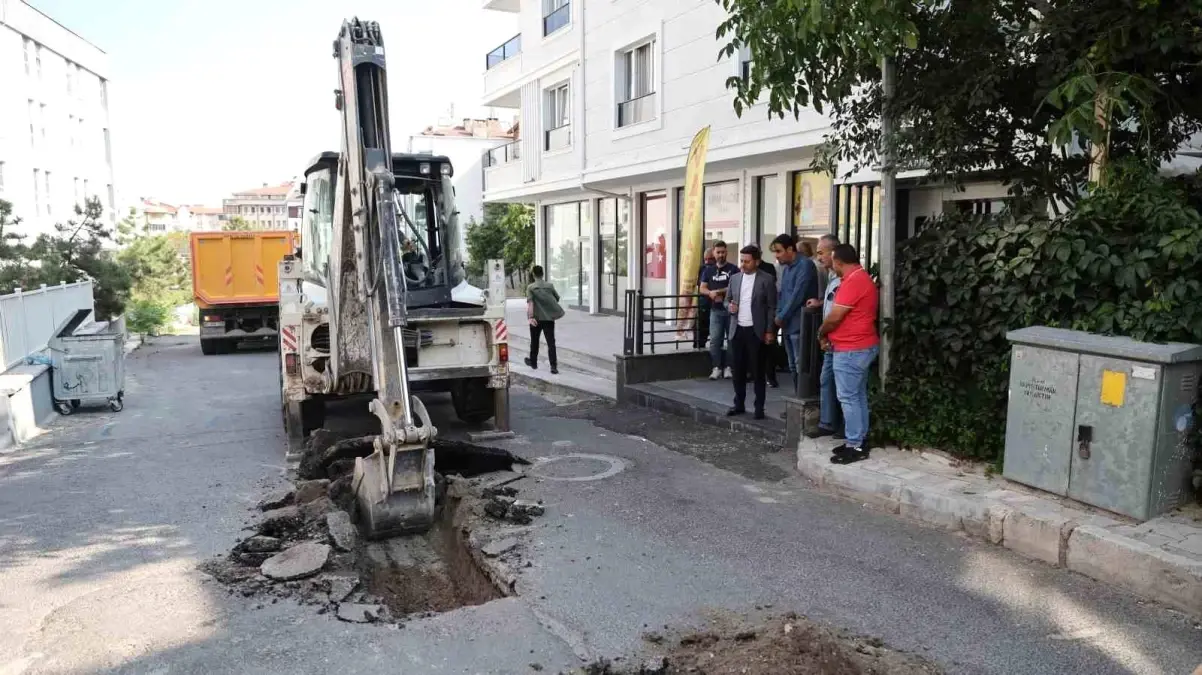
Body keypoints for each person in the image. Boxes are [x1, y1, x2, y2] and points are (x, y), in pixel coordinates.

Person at [817, 244, 879, 464]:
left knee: (848, 397)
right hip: (859, 347)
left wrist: (821, 333)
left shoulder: (854, 281)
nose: (831, 265)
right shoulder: (859, 279)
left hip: (852, 349)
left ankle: (856, 444)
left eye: (832, 261)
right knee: (857, 395)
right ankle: (858, 440)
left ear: (839, 262)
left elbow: (834, 317)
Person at [725, 245, 777, 420]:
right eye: (741, 261)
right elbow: (727, 301)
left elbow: (771, 307)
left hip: (756, 331)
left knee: (757, 371)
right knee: (737, 370)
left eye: (747, 261)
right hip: (737, 329)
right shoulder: (734, 279)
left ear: (757, 261)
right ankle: (738, 404)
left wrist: (770, 331)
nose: (743, 264)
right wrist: (730, 306)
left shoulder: (767, 280)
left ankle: (759, 407)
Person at [769, 233, 819, 393]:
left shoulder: (805, 265)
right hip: (788, 323)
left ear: (790, 249)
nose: (776, 256)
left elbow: (799, 294)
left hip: (800, 322)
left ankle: (804, 398)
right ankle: (798, 398)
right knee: (792, 364)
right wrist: (779, 314)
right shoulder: (786, 268)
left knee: (800, 363)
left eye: (778, 251)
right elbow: (783, 294)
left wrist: (781, 316)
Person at [805, 234, 843, 439]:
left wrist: (823, 333)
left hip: (840, 341)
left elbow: (839, 312)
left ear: (833, 253)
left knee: (845, 387)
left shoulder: (844, 278)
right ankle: (827, 423)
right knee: (826, 380)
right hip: (829, 341)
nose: (818, 257)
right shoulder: (831, 276)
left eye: (821, 252)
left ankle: (844, 426)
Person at [699, 241, 739, 380]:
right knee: (715, 340)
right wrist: (710, 293)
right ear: (713, 253)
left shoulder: (733, 269)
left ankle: (729, 367)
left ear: (726, 252)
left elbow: (736, 287)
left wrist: (719, 291)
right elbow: (702, 288)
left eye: (723, 252)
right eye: (718, 252)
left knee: (732, 340)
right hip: (715, 311)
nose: (721, 255)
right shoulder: (708, 270)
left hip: (731, 311)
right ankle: (716, 367)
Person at [524, 265, 565, 375]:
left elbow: (530, 303)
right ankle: (553, 366)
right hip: (548, 318)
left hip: (536, 319)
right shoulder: (549, 286)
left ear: (533, 274)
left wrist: (530, 317)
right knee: (551, 343)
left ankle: (533, 363)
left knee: (534, 341)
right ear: (543, 274)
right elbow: (557, 298)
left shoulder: (531, 287)